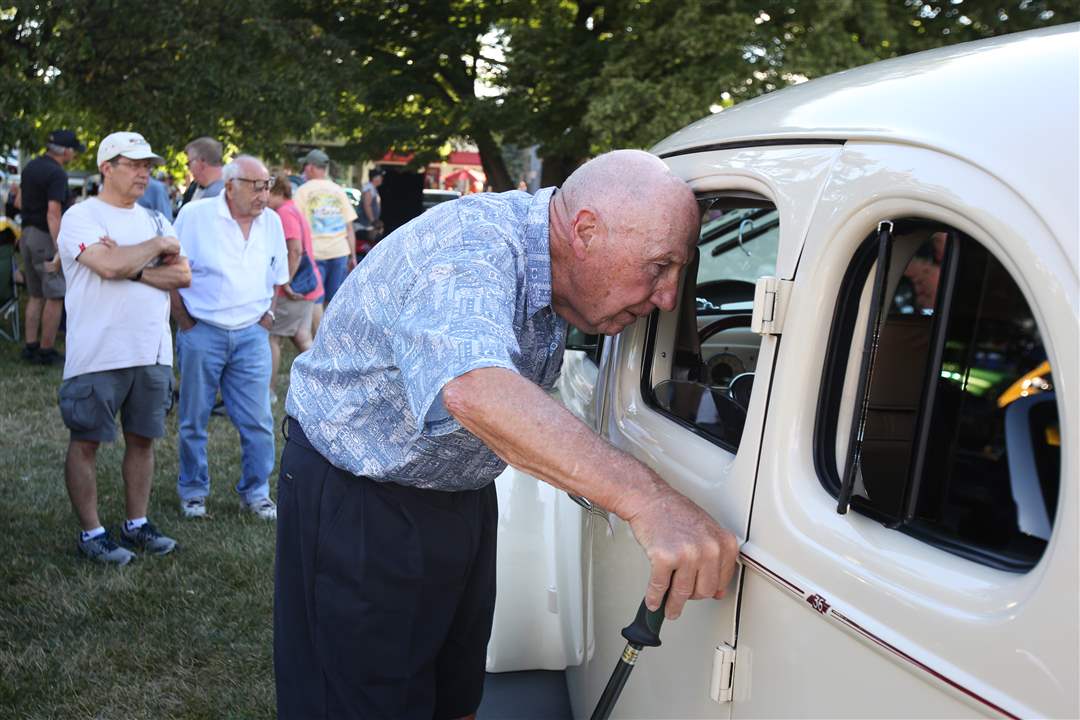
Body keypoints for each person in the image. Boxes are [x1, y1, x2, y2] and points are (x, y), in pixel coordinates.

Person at [275, 149, 739, 718]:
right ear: (586, 230)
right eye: (659, 266)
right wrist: (650, 502)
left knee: (454, 688)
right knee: (361, 699)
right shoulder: (470, 247)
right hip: (361, 495)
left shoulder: (557, 265)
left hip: (458, 491)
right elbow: (474, 386)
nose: (667, 296)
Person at [56, 131, 191, 565]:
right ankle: (91, 532)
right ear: (106, 168)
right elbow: (106, 264)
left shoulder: (155, 218)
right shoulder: (83, 216)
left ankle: (137, 523)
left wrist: (129, 268)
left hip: (151, 351)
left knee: (143, 441)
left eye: (147, 164)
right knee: (87, 441)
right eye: (132, 164)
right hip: (99, 350)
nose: (143, 172)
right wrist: (154, 251)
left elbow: (182, 276)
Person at [171, 156, 288, 521]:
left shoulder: (272, 222)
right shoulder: (195, 216)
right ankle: (193, 491)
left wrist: (266, 318)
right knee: (194, 417)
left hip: (252, 334)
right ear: (230, 185)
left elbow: (276, 275)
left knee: (258, 420)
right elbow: (170, 270)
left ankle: (256, 491)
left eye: (267, 185)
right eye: (256, 186)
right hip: (202, 330)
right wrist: (186, 323)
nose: (263, 194)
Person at [19, 129, 83, 365]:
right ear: (65, 151)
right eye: (73, 150)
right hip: (45, 236)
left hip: (26, 234)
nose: (74, 154)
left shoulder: (31, 166)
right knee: (55, 295)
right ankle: (46, 351)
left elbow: (18, 201)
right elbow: (53, 212)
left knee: (35, 295)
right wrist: (60, 247)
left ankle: (30, 346)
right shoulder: (56, 173)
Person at [266, 171, 322, 402]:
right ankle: (322, 385)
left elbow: (295, 249)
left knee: (272, 338)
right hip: (309, 286)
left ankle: (268, 392)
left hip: (295, 288)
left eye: (264, 190)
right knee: (302, 337)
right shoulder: (292, 208)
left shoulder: (284, 212)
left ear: (275, 190)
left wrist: (285, 281)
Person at [292, 149, 356, 337]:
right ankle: (331, 338)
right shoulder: (338, 190)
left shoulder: (303, 191)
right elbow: (349, 227)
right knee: (333, 300)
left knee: (315, 300)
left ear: (310, 167)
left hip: (315, 253)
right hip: (339, 252)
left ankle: (320, 341)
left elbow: (297, 225)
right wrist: (352, 256)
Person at [179, 136, 225, 208]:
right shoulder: (231, 187)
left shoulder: (215, 196)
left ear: (201, 162)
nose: (189, 169)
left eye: (189, 163)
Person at [358, 167, 384, 242]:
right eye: (380, 177)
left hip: (368, 224)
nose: (382, 179)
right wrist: (373, 221)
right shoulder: (369, 188)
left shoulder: (372, 188)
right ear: (375, 178)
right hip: (365, 224)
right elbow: (367, 205)